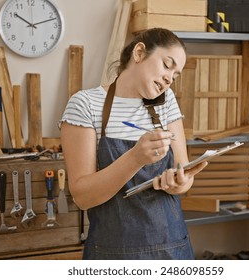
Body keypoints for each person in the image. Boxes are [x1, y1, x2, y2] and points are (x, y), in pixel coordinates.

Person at [59, 27, 207, 260]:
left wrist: (178, 183)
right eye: (167, 65)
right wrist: (136, 158)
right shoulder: (86, 104)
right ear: (139, 53)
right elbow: (82, 197)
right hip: (113, 255)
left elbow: (183, 173)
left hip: (172, 250)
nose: (170, 79)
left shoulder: (166, 102)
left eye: (176, 75)